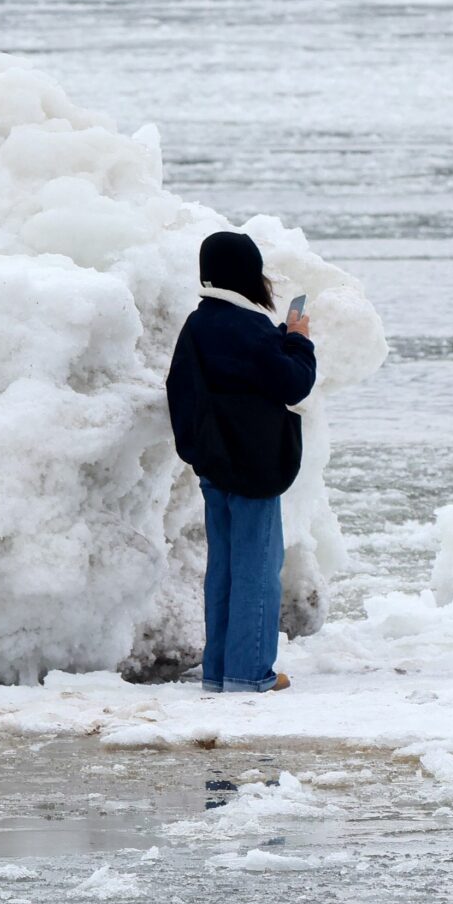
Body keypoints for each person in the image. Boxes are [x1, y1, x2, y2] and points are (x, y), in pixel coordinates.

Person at [165, 231, 317, 694]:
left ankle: (219, 671)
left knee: (225, 571)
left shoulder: (200, 323)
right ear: (248, 275)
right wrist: (297, 340)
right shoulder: (246, 327)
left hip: (215, 465)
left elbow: (182, 389)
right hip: (253, 467)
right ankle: (250, 671)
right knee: (257, 570)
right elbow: (293, 383)